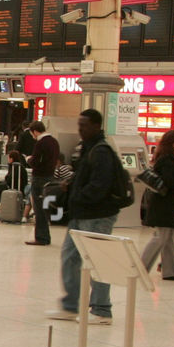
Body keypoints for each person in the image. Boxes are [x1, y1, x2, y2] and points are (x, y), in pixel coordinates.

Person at [46, 109, 122, 325]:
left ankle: (101, 309)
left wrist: (78, 196)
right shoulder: (88, 148)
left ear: (97, 126)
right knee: (70, 257)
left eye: (85, 126)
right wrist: (71, 187)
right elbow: (84, 178)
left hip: (98, 215)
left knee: (97, 260)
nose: (80, 130)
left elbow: (99, 186)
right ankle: (71, 305)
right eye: (79, 125)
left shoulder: (102, 151)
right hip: (82, 214)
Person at [139, 130, 174, 281]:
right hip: (163, 205)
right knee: (160, 237)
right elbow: (168, 181)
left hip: (166, 203)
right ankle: (141, 268)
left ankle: (170, 271)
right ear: (171, 142)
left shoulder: (166, 159)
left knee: (170, 237)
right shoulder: (167, 160)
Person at [26, 120, 59, 246]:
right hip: (50, 178)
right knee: (46, 207)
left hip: (39, 178)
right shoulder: (54, 142)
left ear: (35, 131)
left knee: (38, 208)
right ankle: (45, 236)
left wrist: (29, 159)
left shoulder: (41, 143)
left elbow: (36, 161)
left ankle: (41, 237)